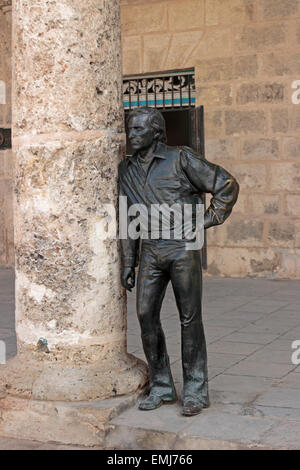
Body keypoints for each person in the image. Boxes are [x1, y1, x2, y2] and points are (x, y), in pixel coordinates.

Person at [118, 107, 239, 416]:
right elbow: (127, 216)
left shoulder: (181, 158)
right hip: (151, 250)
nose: (131, 135)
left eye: (138, 130)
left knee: (190, 317)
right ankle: (161, 385)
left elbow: (226, 185)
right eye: (130, 129)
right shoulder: (127, 170)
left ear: (156, 133)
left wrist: (206, 220)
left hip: (183, 248)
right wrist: (128, 263)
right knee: (146, 314)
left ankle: (196, 390)